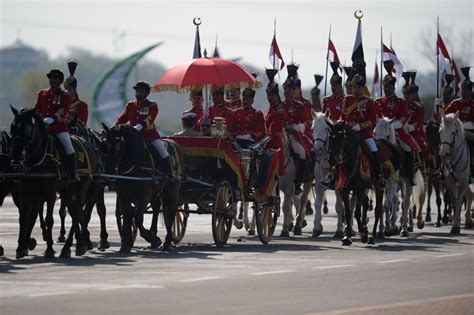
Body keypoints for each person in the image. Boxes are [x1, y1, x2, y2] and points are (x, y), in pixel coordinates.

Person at [321, 74, 385, 189]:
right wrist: (339, 124)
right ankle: (331, 176)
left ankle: (379, 176)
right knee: (335, 147)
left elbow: (372, 120)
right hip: (348, 133)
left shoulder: (369, 101)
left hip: (364, 134)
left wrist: (360, 126)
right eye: (354, 87)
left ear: (363, 87)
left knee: (374, 149)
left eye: (358, 87)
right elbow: (343, 116)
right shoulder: (347, 99)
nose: (355, 89)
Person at [116, 81, 172, 177]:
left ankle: (170, 174)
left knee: (162, 151)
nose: (138, 93)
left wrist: (140, 126)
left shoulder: (152, 105)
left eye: (141, 91)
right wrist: (115, 127)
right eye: (137, 91)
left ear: (146, 93)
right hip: (133, 136)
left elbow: (150, 119)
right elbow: (122, 119)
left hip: (149, 136)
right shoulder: (130, 105)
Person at [375, 60, 418, 186]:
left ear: (393, 87)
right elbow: (375, 117)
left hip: (397, 131)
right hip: (380, 131)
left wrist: (391, 126)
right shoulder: (377, 102)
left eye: (388, 87)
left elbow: (403, 118)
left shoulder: (401, 102)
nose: (386, 89)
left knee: (408, 148)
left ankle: (410, 175)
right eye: (385, 87)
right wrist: (381, 125)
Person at [34, 68, 79, 182]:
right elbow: (37, 109)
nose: (51, 80)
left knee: (68, 146)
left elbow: (63, 111)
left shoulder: (65, 95)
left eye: (54, 78)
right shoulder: (42, 93)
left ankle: (73, 172)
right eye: (50, 78)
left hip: (59, 128)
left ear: (60, 81)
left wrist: (53, 118)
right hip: (43, 127)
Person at [444, 66, 474, 181]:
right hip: (455, 132)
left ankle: (471, 168)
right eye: (462, 89)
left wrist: (464, 125)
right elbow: (445, 116)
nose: (464, 92)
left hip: (470, 132)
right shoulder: (455, 103)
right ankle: (442, 168)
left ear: (471, 91)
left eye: (466, 90)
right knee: (444, 144)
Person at [283, 75, 310, 194]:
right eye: (285, 90)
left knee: (302, 153)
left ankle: (298, 182)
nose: (287, 93)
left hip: (294, 135)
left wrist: (295, 127)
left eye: (290, 91)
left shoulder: (300, 105)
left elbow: (306, 123)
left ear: (294, 91)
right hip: (281, 134)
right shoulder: (280, 105)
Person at [402, 72, 428, 160]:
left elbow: (418, 123)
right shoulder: (401, 106)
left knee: (422, 146)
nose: (406, 96)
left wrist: (408, 128)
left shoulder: (418, 107)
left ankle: (424, 165)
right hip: (401, 131)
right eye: (405, 94)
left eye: (408, 94)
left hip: (415, 133)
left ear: (413, 95)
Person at [264, 69, 286, 151]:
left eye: (272, 95)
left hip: (275, 146)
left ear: (277, 95)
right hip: (266, 143)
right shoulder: (268, 111)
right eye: (268, 95)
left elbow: (272, 130)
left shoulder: (279, 112)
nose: (270, 98)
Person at [63, 60, 88, 125]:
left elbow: (82, 124)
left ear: (74, 89)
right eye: (65, 89)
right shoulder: (61, 104)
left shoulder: (82, 105)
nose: (67, 91)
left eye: (69, 89)